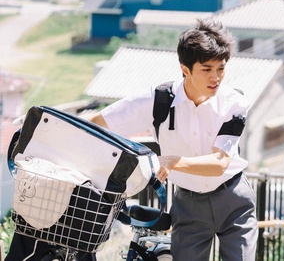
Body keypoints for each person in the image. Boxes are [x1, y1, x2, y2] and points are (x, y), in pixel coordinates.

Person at [90, 19, 257, 260]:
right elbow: (99, 122)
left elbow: (220, 162)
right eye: (207, 69)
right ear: (185, 69)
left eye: (221, 68)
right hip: (189, 204)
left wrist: (172, 161)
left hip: (233, 199)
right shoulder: (157, 100)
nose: (216, 78)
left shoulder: (235, 103)